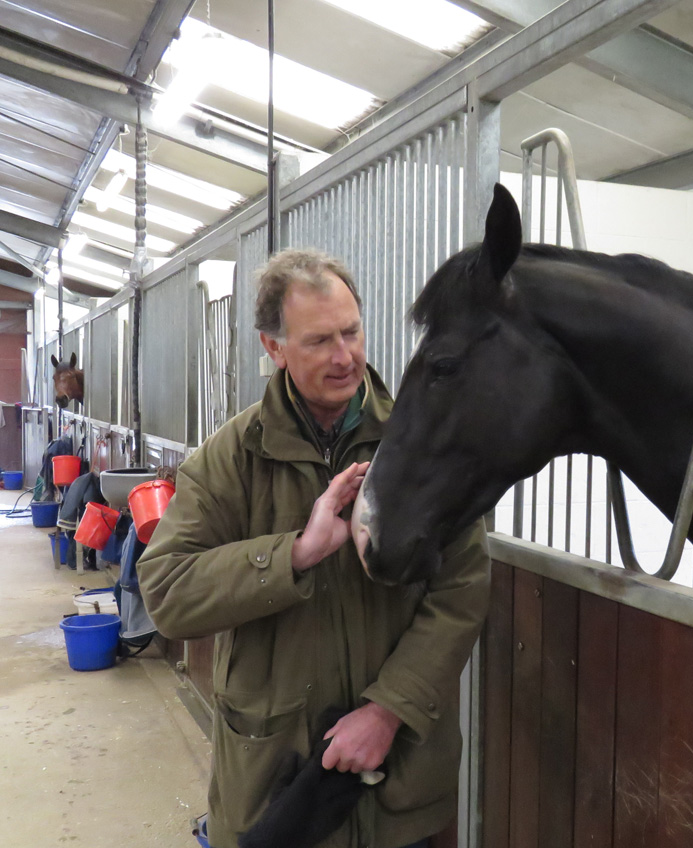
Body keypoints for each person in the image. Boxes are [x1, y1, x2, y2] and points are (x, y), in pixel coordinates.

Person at [137, 249, 492, 848]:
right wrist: (295, 554)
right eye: (319, 340)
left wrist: (387, 710)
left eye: (352, 332)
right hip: (274, 782)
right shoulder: (230, 459)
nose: (344, 356)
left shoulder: (421, 439)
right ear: (273, 348)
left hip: (398, 784)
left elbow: (463, 586)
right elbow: (167, 591)